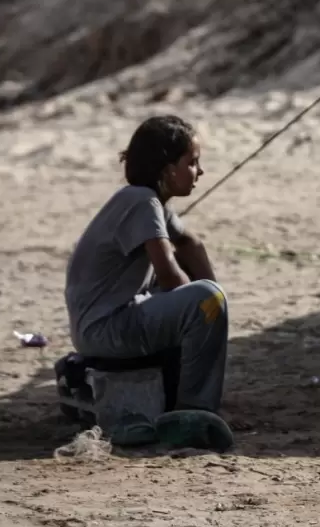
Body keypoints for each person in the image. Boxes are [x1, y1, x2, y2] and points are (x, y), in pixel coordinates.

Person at [65, 115, 230, 420]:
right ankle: (195, 410)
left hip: (105, 324)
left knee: (207, 297)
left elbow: (190, 245)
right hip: (105, 329)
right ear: (168, 170)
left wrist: (215, 306)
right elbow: (168, 275)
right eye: (192, 163)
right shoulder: (142, 201)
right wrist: (208, 305)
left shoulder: (149, 201)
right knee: (205, 300)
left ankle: (183, 388)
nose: (200, 171)